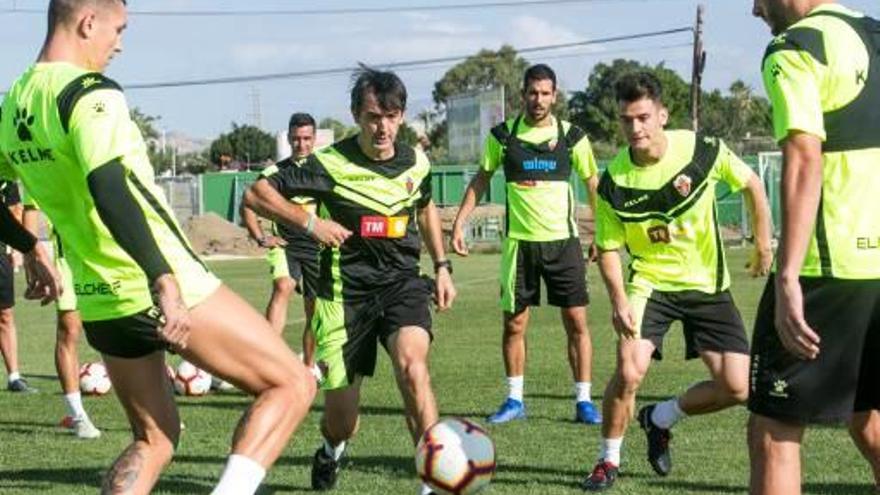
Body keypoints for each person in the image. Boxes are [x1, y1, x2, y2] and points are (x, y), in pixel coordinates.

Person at [0, 1, 316, 493]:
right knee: (294, 383)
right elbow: (109, 185)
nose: (119, 44)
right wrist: (161, 277)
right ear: (88, 22)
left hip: (100, 299)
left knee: (156, 440)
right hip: (161, 282)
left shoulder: (15, 101)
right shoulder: (88, 93)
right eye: (118, 30)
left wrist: (31, 246)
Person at [244, 66, 456, 495]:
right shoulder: (327, 163)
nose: (383, 127)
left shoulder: (417, 161)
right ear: (357, 115)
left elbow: (426, 207)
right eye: (374, 116)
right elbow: (256, 194)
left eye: (392, 116)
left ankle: (432, 482)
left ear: (401, 116)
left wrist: (442, 264)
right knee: (344, 421)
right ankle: (330, 449)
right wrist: (309, 223)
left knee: (413, 369)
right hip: (344, 296)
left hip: (401, 284)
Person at [582, 71, 773, 491]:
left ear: (662, 115)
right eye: (626, 120)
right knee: (630, 370)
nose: (635, 128)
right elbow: (609, 248)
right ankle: (607, 461)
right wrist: (618, 299)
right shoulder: (613, 181)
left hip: (707, 285)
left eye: (643, 117)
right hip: (651, 283)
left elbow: (753, 185)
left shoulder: (701, 151)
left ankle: (660, 418)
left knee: (738, 388)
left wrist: (763, 243)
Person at [749, 2, 880, 494]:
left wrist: (787, 277)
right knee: (869, 418)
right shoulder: (874, 33)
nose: (755, 9)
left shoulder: (797, 46)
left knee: (774, 432)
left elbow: (804, 157)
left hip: (831, 269)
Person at [451, 63, 601, 425]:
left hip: (563, 243)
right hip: (520, 246)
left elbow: (594, 184)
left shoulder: (573, 137)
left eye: (545, 93)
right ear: (523, 95)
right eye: (533, 92)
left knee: (577, 322)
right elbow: (481, 179)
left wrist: (601, 233)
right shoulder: (502, 136)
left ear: (555, 96)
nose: (538, 99)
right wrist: (459, 223)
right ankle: (515, 399)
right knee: (514, 324)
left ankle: (584, 401)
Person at [241, 112, 320, 366]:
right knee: (283, 286)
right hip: (286, 244)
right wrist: (261, 237)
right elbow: (248, 203)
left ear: (314, 139)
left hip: (319, 249)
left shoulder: (325, 171)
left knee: (315, 309)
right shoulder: (274, 173)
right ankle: (267, 362)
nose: (302, 144)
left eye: (307, 138)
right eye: (296, 139)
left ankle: (308, 367)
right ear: (288, 139)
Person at [22, 200, 101, 438]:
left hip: (109, 256)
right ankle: (78, 416)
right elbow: (30, 210)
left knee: (131, 328)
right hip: (68, 261)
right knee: (69, 331)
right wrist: (32, 257)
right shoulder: (45, 167)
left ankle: (153, 412)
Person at [0, 181, 35, 393]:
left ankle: (14, 377)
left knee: (5, 313)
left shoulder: (5, 179)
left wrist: (17, 250)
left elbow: (14, 211)